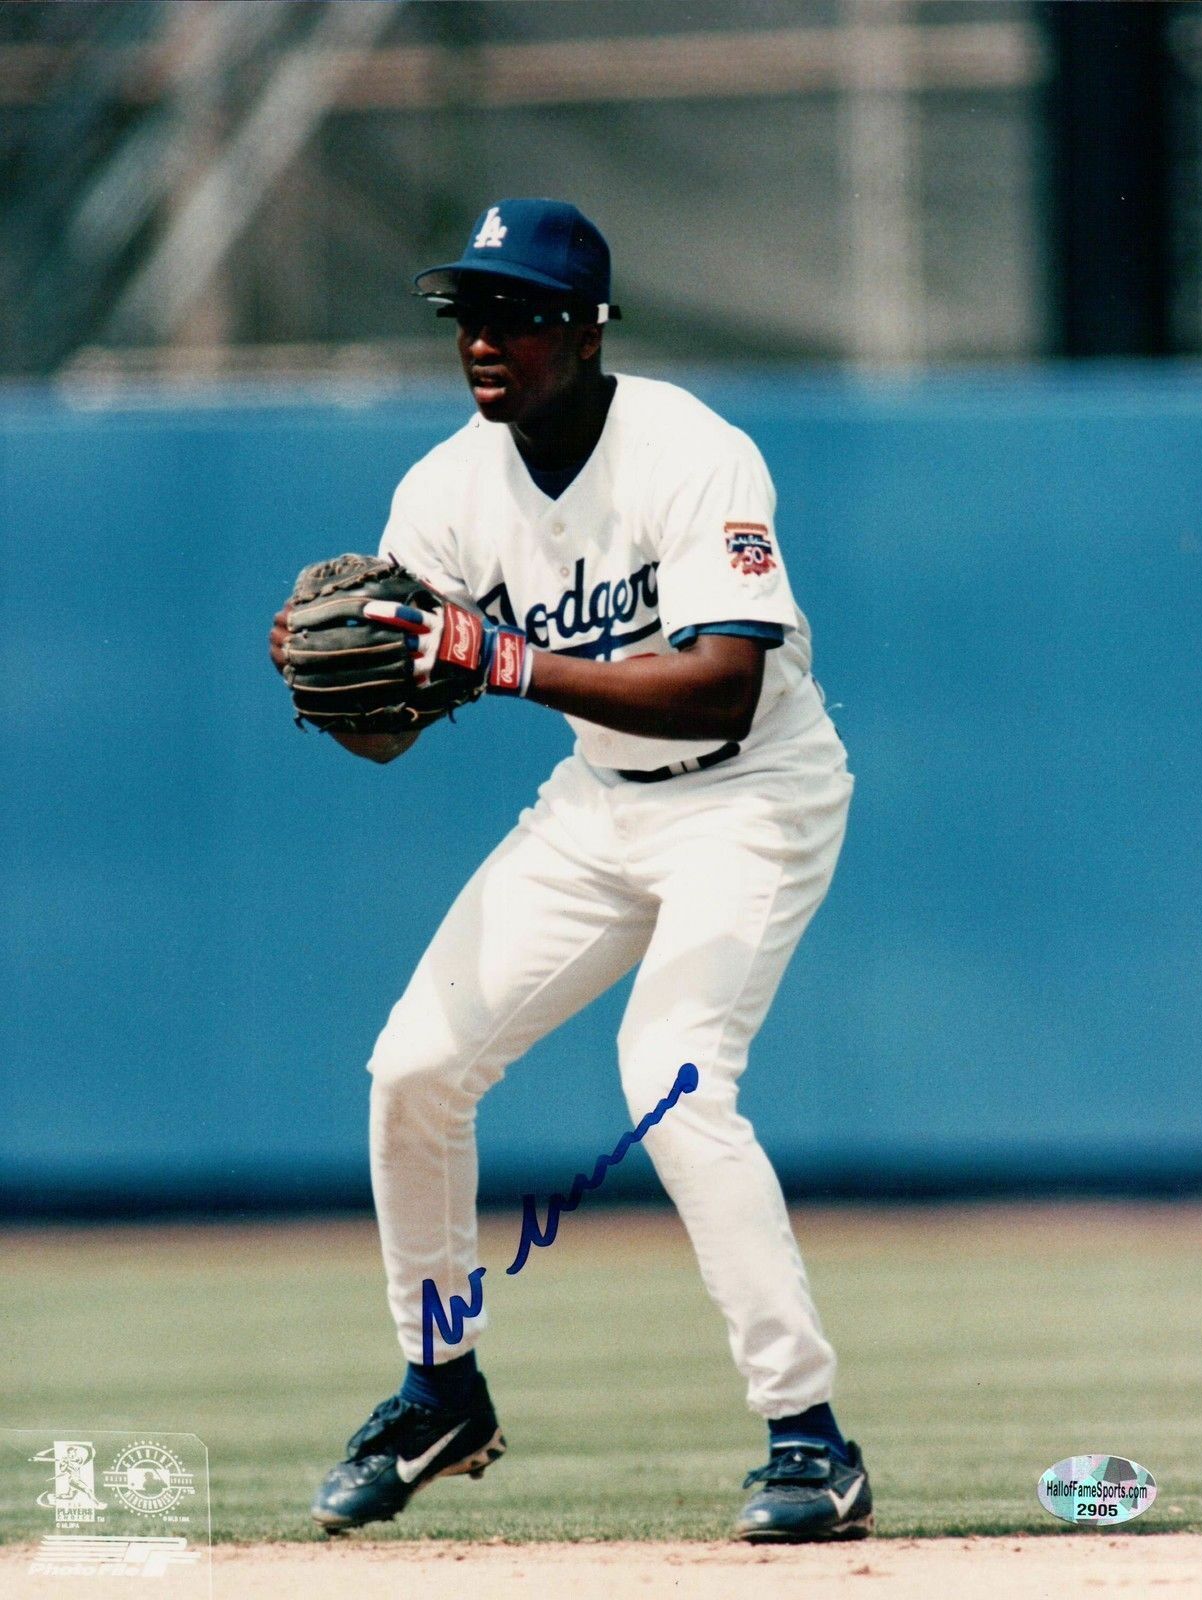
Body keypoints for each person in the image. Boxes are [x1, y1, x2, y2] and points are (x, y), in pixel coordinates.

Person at [269, 198, 873, 1543]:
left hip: (753, 796)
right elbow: (389, 732)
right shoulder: (443, 490)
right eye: (469, 314)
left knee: (672, 1081)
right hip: (596, 804)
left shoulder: (690, 453)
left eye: (518, 315)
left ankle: (808, 1439)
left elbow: (723, 688)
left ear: (587, 329)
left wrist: (507, 664)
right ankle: (440, 1390)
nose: (485, 339)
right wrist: (328, 685)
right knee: (414, 1071)